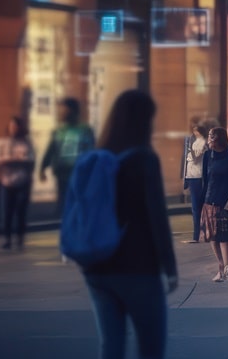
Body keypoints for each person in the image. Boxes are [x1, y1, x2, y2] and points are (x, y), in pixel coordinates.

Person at [79, 90, 178, 359]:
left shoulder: (99, 155)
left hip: (97, 268)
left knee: (110, 345)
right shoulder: (144, 158)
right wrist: (168, 266)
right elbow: (156, 215)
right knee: (150, 346)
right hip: (137, 266)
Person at [41, 97, 95, 216]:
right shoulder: (58, 131)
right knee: (64, 203)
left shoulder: (85, 130)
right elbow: (51, 149)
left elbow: (92, 151)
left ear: (72, 111)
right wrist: (43, 167)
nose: (61, 112)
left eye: (64, 109)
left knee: (78, 203)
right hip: (62, 173)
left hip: (80, 173)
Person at [202, 127, 228, 282]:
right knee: (212, 236)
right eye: (209, 135)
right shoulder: (207, 156)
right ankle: (221, 266)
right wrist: (201, 202)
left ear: (220, 138)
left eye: (212, 136)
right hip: (209, 201)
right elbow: (205, 179)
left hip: (224, 202)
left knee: (225, 237)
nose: (209, 138)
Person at [0, 117, 34, 250]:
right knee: (7, 211)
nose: (14, 129)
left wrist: (11, 161)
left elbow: (30, 160)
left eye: (16, 127)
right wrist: (15, 161)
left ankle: (20, 237)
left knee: (21, 210)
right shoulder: (1, 142)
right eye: (11, 127)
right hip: (7, 181)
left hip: (23, 180)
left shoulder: (26, 143)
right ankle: (7, 238)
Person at [182, 122, 208, 243]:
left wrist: (191, 151)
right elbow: (186, 162)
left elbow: (196, 159)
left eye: (196, 130)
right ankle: (197, 234)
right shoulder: (192, 142)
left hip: (199, 176)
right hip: (191, 175)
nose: (194, 133)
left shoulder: (204, 143)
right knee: (195, 207)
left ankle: (203, 232)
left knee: (199, 206)